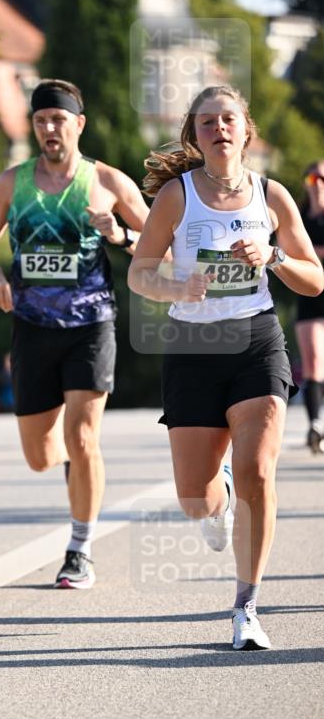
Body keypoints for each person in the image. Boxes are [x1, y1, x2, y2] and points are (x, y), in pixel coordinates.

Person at [128, 85, 323, 650]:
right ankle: (222, 497)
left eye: (228, 119)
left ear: (246, 129)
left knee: (259, 470)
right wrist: (176, 287)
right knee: (196, 495)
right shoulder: (177, 196)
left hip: (256, 341)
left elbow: (315, 279)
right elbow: (140, 272)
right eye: (208, 121)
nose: (219, 129)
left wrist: (275, 256)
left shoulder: (272, 196)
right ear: (195, 133)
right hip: (192, 348)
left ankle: (246, 608)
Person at [0, 78, 149, 589]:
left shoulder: (107, 181)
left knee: (85, 435)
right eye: (41, 120)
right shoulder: (13, 182)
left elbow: (160, 242)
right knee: (39, 456)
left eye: (59, 119)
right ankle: (71, 455)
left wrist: (119, 234)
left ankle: (79, 549)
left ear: (79, 124)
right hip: (31, 325)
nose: (50, 128)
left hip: (91, 325)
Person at [295, 160, 324, 453]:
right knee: (313, 362)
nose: (318, 184)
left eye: (323, 179)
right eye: (313, 178)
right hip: (309, 298)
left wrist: (312, 253)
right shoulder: (299, 217)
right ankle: (315, 425)